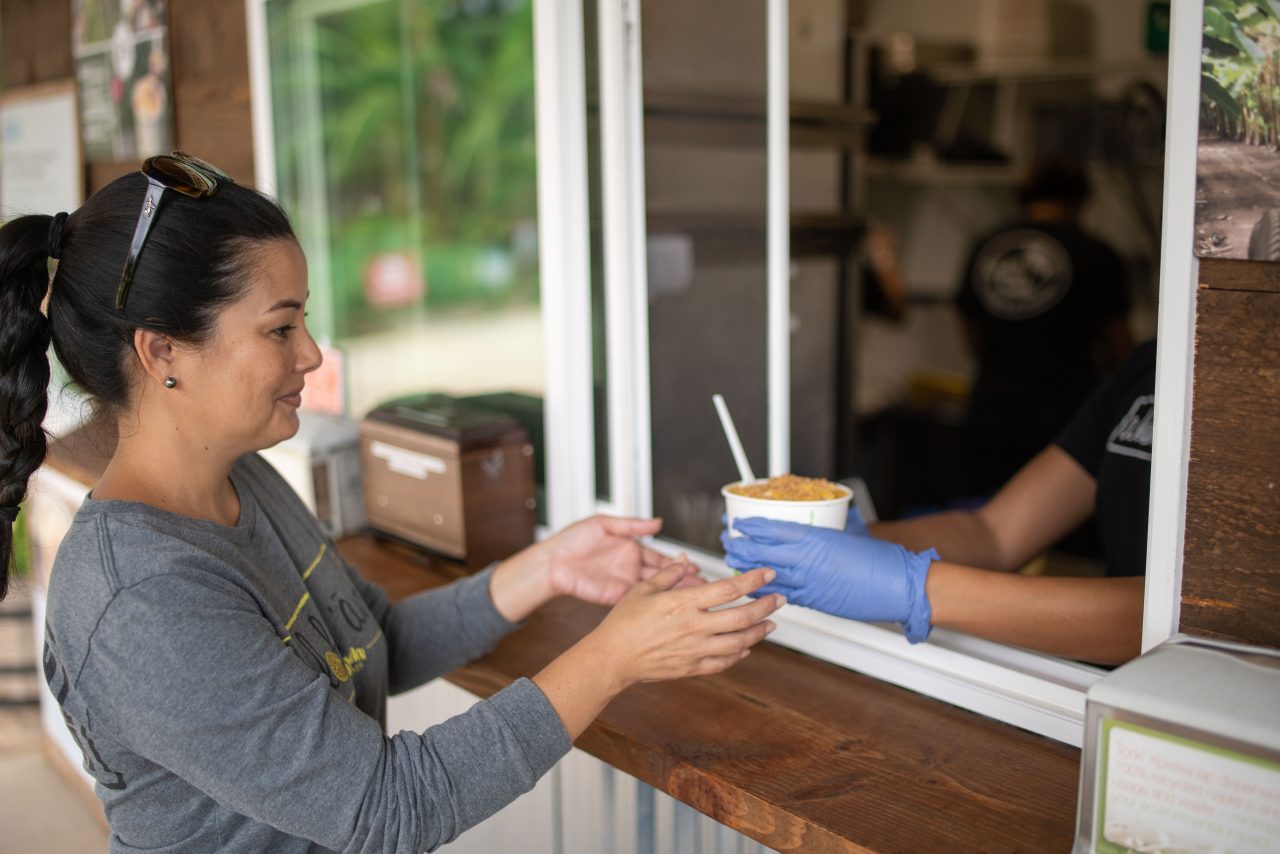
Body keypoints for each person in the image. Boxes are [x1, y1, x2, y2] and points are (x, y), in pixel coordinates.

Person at [0, 152, 786, 852]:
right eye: (281, 328)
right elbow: (387, 808)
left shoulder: (241, 476)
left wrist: (546, 569)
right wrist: (614, 656)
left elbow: (369, 646)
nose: (310, 353)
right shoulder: (140, 597)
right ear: (162, 350)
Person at [723, 340, 1157, 666]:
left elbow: (1184, 623)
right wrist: (850, 543)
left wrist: (916, 588)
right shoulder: (1147, 369)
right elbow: (995, 533)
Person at [956, 157, 1134, 498]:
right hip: (1066, 421)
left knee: (985, 520)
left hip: (989, 412)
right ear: (1080, 200)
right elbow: (1120, 346)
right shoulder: (1096, 253)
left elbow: (967, 327)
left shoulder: (987, 246)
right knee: (1056, 536)